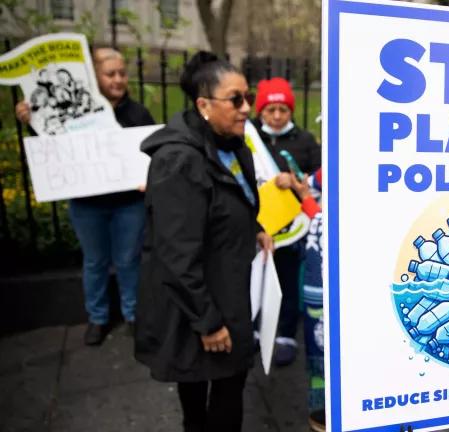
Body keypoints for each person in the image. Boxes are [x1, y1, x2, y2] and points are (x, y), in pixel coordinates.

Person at [134, 51, 273, 432]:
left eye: (249, 97)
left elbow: (230, 201)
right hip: (200, 306)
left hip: (227, 291)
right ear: (204, 105)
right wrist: (209, 323)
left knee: (225, 386)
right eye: (236, 99)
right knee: (205, 391)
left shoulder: (231, 143)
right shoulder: (179, 161)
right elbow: (176, 254)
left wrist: (254, 227)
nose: (247, 108)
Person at [15, 47, 155, 346]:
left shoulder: (138, 113)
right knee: (95, 262)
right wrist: (32, 121)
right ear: (95, 77)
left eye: (122, 73)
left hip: (129, 203)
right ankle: (98, 318)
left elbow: (154, 152)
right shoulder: (71, 110)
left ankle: (134, 315)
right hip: (87, 204)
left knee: (129, 260)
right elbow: (53, 148)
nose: (118, 79)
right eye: (110, 74)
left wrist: (149, 176)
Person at [252, 77, 321, 366]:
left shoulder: (304, 141)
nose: (277, 116)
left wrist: (293, 182)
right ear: (261, 112)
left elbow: (316, 179)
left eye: (283, 109)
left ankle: (286, 334)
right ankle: (256, 329)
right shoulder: (251, 138)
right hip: (257, 224)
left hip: (292, 228)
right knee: (256, 277)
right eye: (271, 110)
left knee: (289, 280)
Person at [289, 170, 325, 432]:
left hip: (332, 285)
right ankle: (324, 410)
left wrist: (305, 198)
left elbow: (328, 227)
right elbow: (312, 182)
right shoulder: (335, 161)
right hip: (319, 287)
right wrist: (298, 185)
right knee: (319, 350)